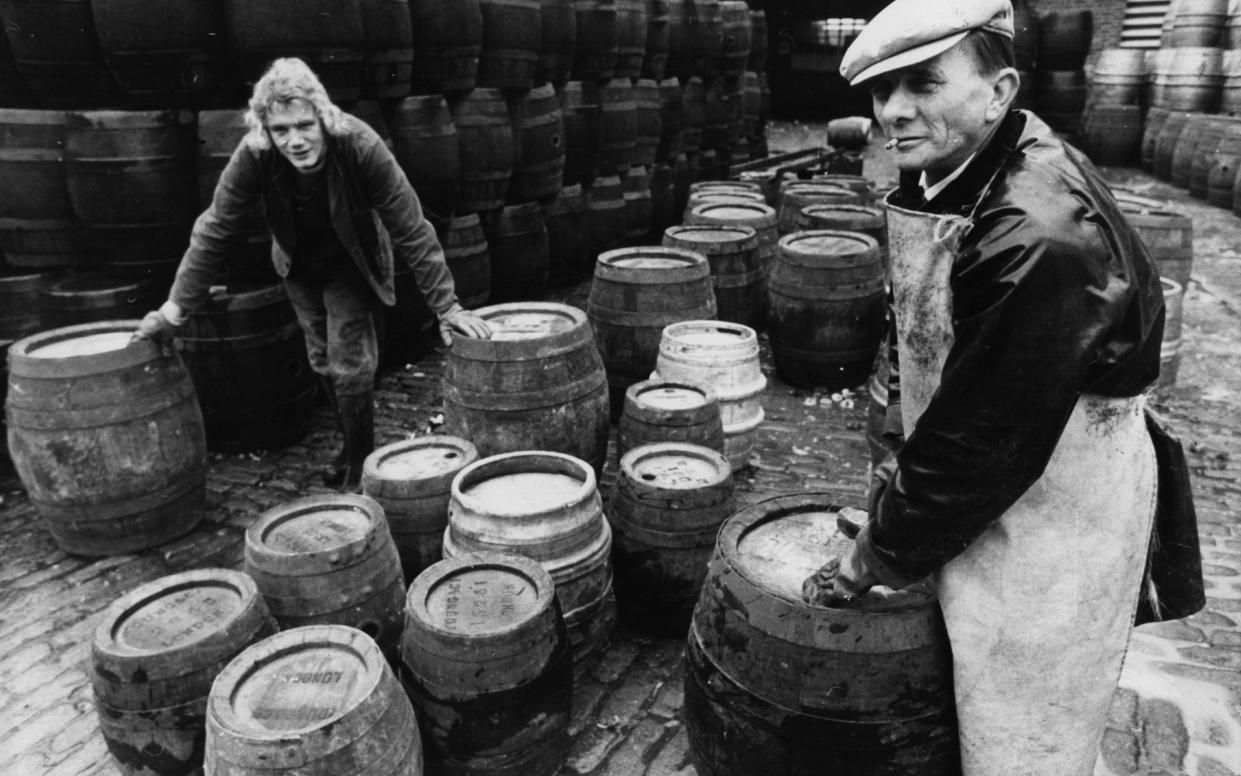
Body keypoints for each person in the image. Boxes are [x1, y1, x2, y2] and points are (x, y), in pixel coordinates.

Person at [812, 1, 1205, 774]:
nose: (893, 111)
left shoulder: (1037, 238)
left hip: (1056, 510)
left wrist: (876, 554)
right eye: (881, 90)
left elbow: (978, 436)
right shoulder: (981, 160)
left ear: (1000, 88)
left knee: (1025, 736)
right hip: (1009, 475)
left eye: (922, 84)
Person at [136, 57, 491, 489]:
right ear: (265, 130)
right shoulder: (255, 155)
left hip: (351, 259)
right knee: (321, 357)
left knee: (348, 358)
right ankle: (349, 445)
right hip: (299, 262)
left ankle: (362, 463)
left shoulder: (360, 146)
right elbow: (213, 229)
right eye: (281, 130)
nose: (295, 141)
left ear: (323, 117)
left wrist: (446, 306)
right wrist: (173, 313)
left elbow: (411, 226)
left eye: (304, 125)